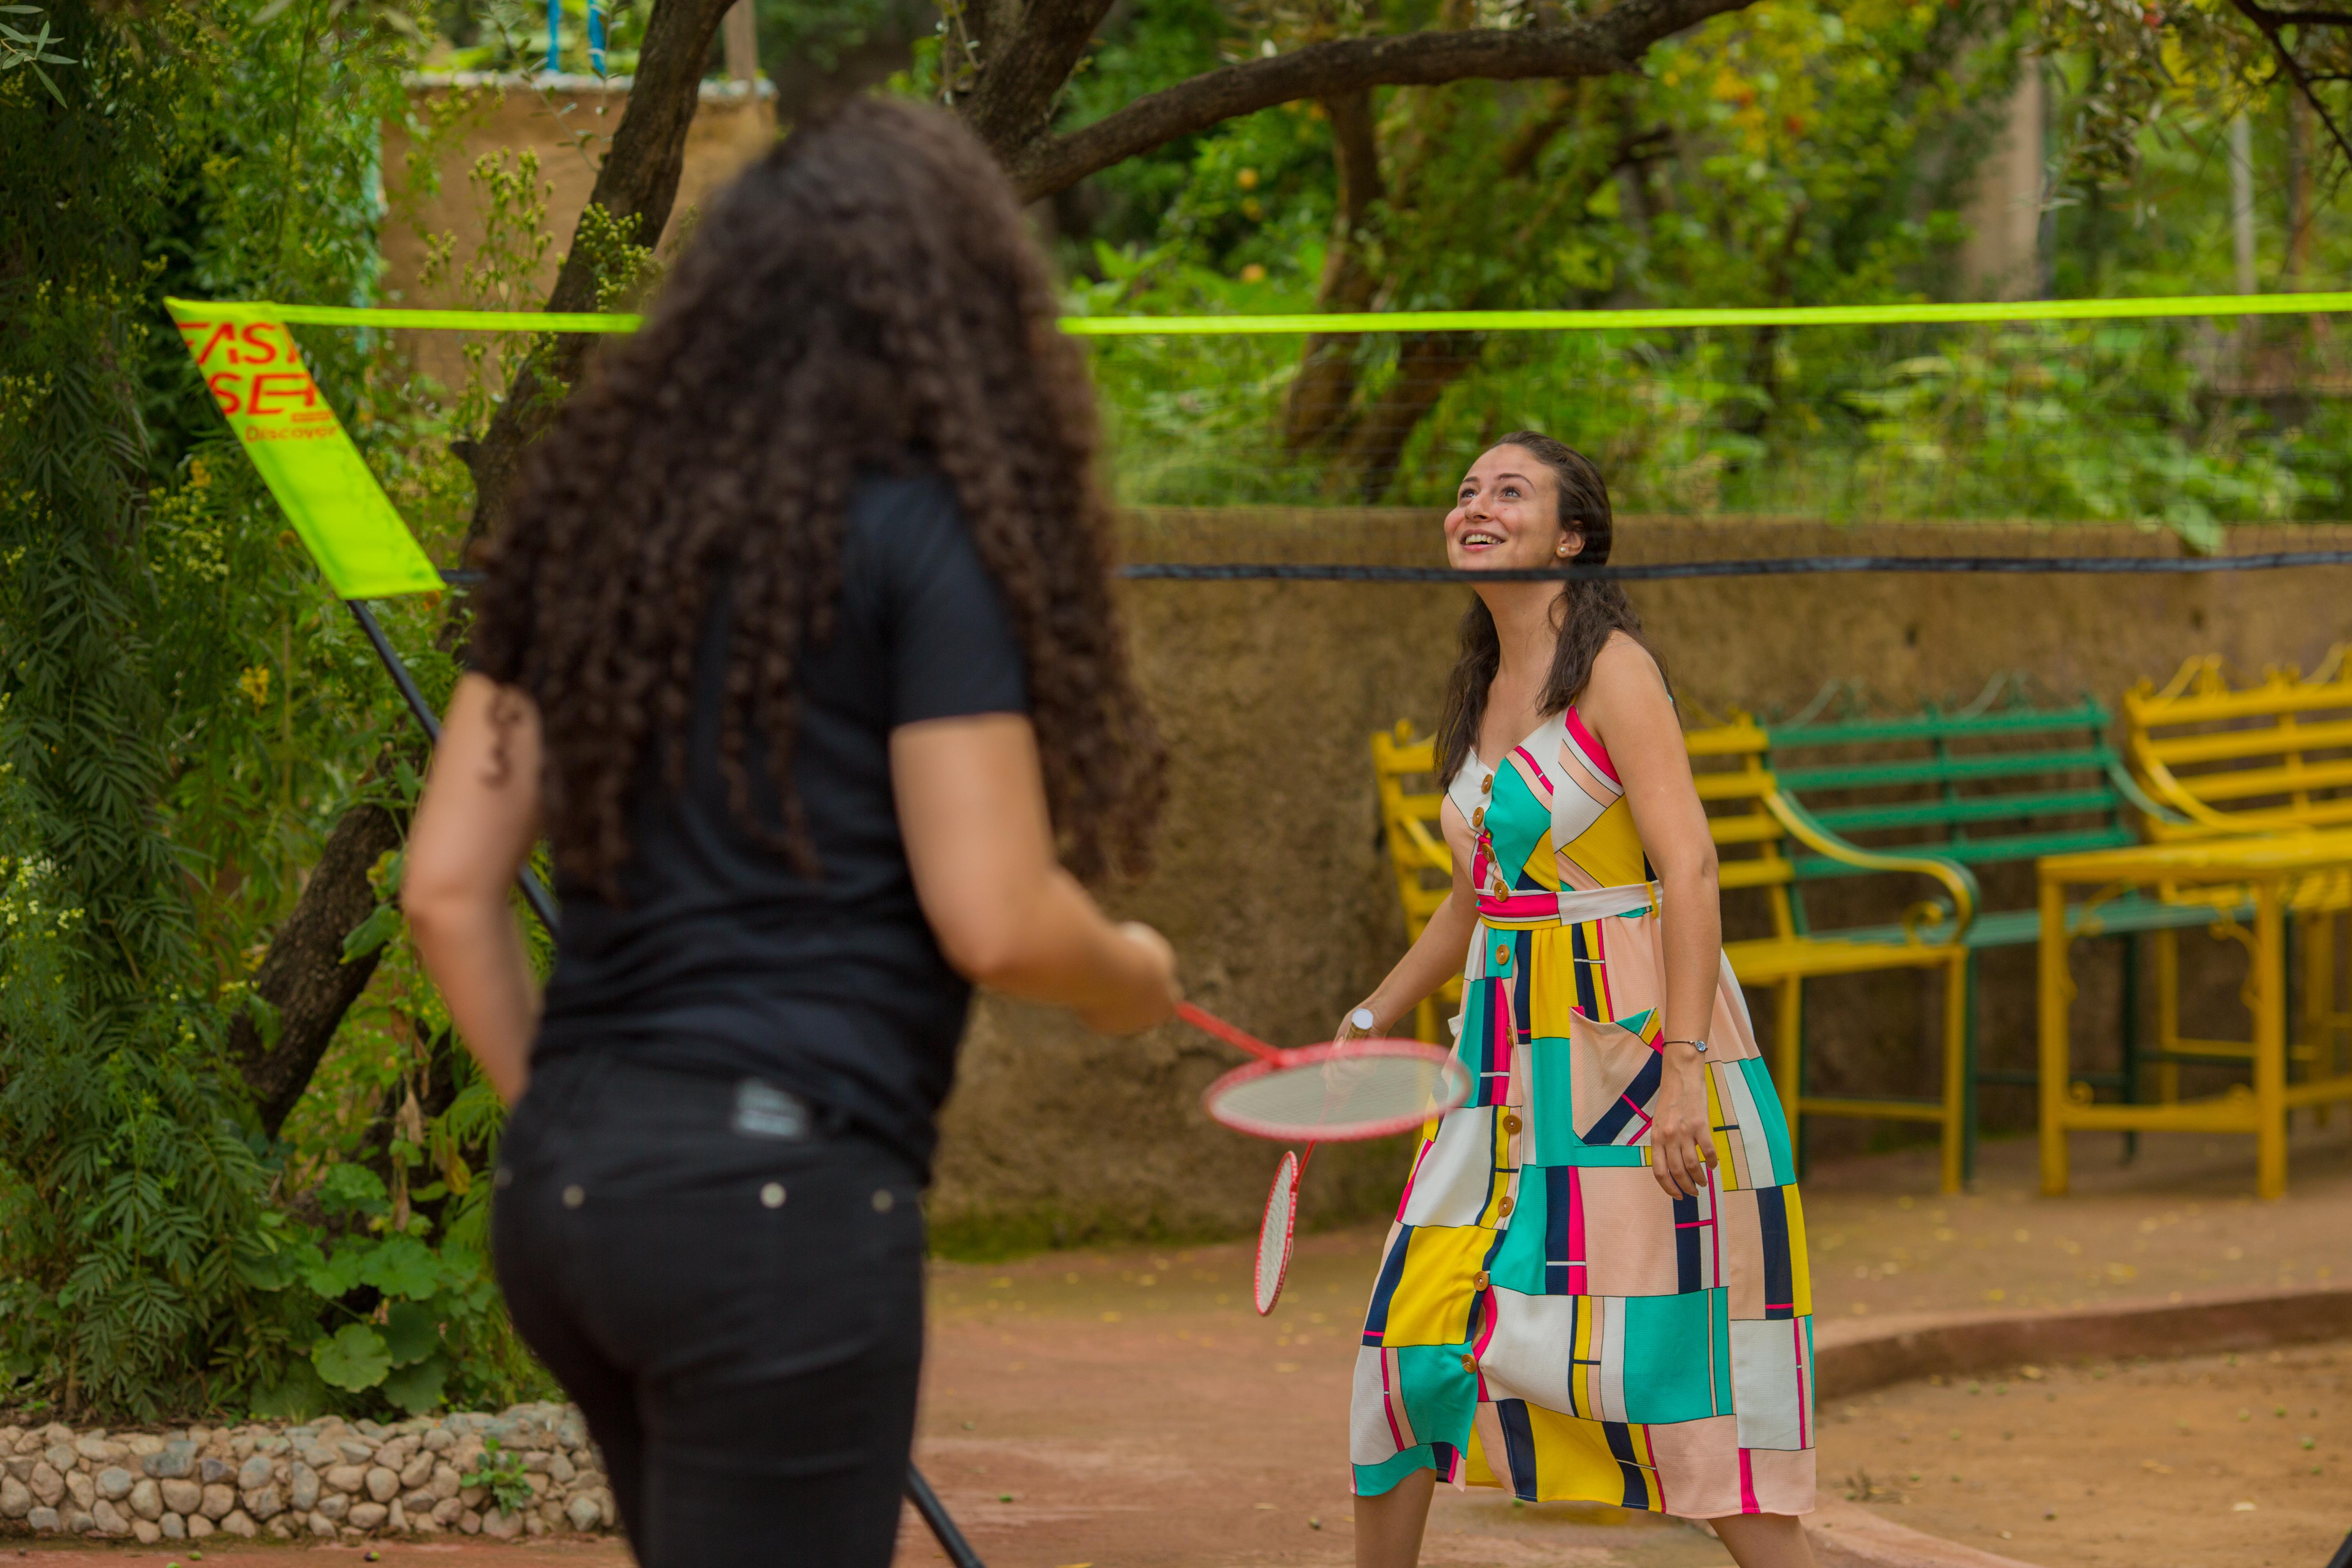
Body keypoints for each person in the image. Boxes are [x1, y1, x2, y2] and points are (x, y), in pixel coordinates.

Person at [401, 98, 1181, 1568]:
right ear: (957, 318)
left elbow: (445, 890)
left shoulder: (587, 534)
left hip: (566, 1204)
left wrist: (595, 1132)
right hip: (774, 1210)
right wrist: (1129, 972)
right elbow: (999, 915)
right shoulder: (922, 532)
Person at [1337, 434, 1816, 1567]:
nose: (1475, 507)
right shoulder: (1482, 685)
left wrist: (1684, 1073)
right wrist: (1366, 1020)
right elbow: (1478, 905)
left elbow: (1689, 870)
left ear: (1573, 536)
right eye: (1463, 493)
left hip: (1631, 1060)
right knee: (1406, 1350)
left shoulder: (1614, 670)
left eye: (1509, 492)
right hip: (1500, 1077)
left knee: (1677, 1381)